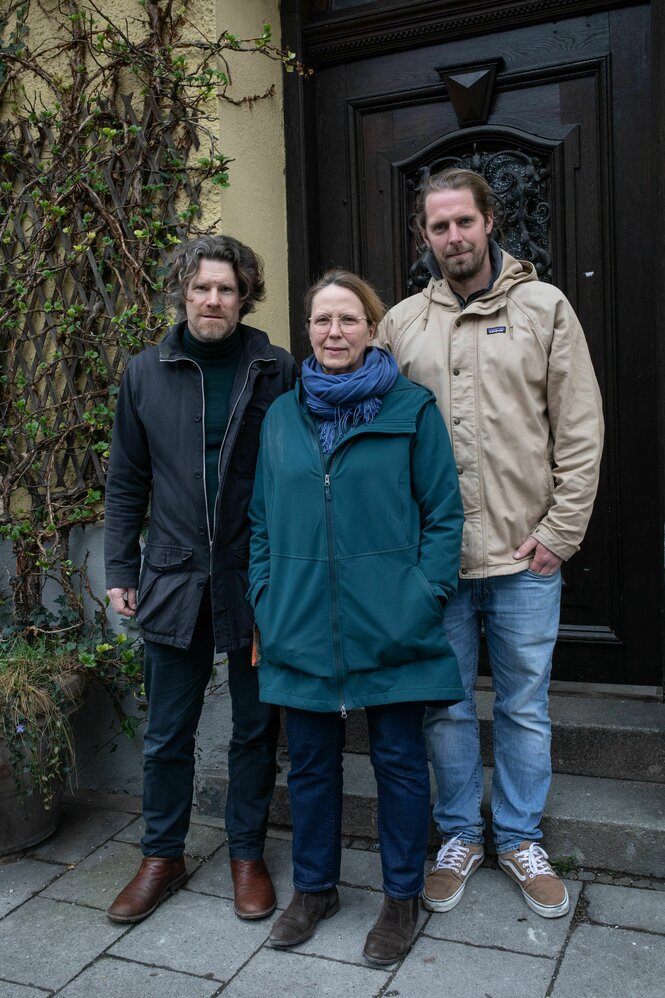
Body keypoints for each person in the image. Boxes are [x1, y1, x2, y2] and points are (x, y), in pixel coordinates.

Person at [377, 168, 604, 920]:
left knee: (524, 706)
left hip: (522, 557)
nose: (452, 238)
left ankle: (516, 836)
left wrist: (558, 534)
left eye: (462, 223)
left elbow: (578, 428)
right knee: (442, 706)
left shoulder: (544, 307)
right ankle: (456, 838)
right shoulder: (402, 323)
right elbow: (378, 442)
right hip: (435, 565)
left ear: (488, 220)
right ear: (424, 237)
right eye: (437, 227)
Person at [247, 269, 465, 966]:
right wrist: (266, 596)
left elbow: (443, 515)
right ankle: (314, 889)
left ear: (372, 329)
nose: (332, 332)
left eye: (347, 320)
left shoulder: (410, 409)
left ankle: (400, 899)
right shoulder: (283, 416)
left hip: (390, 624)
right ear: (306, 332)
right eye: (320, 321)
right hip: (300, 623)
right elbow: (259, 522)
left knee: (400, 763)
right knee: (309, 765)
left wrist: (420, 596)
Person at [104, 234, 297, 924]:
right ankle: (163, 855)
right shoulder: (144, 373)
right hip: (174, 577)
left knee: (253, 728)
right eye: (200, 288)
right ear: (181, 292)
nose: (212, 300)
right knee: (166, 731)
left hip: (255, 579)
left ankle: (246, 853)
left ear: (245, 296)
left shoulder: (276, 368)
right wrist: (120, 567)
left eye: (225, 288)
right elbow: (126, 479)